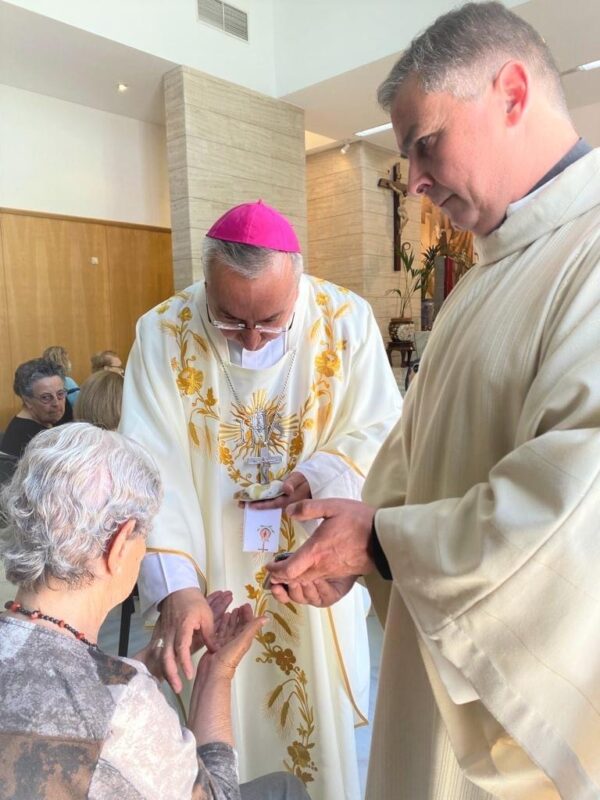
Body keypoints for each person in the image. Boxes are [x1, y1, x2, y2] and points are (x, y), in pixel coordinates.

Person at [266, 3, 600, 798]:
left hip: (508, 717)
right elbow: (420, 453)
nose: (412, 180)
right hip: (434, 669)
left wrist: (383, 543)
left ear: (512, 92)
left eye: (425, 142)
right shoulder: (485, 273)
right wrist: (355, 538)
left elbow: (575, 507)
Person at [120, 200, 402, 798]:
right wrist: (176, 585)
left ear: (298, 281)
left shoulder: (346, 319)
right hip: (213, 567)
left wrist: (325, 470)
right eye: (230, 320)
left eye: (271, 320)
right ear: (207, 284)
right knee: (226, 724)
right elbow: (151, 461)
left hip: (309, 561)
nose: (250, 338)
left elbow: (383, 426)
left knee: (314, 734)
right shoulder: (163, 332)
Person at [0, 422, 310, 800]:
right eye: (144, 536)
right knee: (286, 789)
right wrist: (217, 673)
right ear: (118, 546)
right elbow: (218, 796)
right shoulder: (122, 706)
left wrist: (138, 667)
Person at [2, 358, 73, 460]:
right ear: (27, 401)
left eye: (60, 394)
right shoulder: (37, 440)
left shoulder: (26, 425)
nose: (56, 403)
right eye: (46, 397)